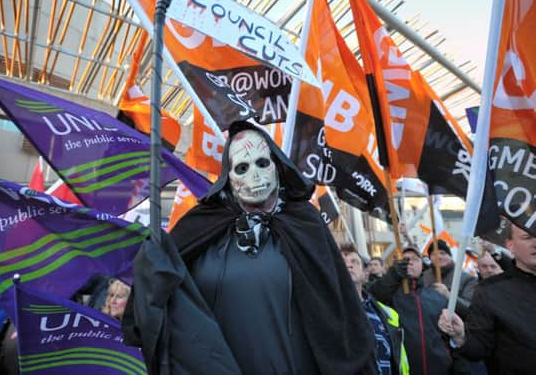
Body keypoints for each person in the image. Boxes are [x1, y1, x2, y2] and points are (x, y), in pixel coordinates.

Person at [165, 121, 376, 374]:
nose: (254, 175)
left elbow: (336, 308)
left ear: (277, 166)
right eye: (242, 168)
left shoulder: (304, 222)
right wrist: (151, 264)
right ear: (229, 177)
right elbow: (165, 285)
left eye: (262, 163)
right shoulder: (201, 225)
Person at [438, 223, 536, 375]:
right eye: (527, 237)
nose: (535, 242)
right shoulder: (489, 290)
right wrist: (461, 336)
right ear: (510, 245)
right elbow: (479, 347)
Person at [369, 245, 452, 375]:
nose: (410, 261)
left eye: (415, 259)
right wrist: (393, 274)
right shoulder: (390, 296)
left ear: (422, 266)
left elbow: (449, 334)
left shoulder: (436, 297)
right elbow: (373, 295)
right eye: (405, 259)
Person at [341, 243, 410, 375]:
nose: (348, 265)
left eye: (354, 262)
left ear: (365, 274)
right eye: (342, 262)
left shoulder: (385, 313)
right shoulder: (329, 311)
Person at [422, 240, 477, 318]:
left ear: (450, 256)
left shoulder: (467, 279)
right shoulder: (424, 276)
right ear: (430, 258)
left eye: (442, 253)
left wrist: (448, 295)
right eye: (434, 254)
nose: (439, 257)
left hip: (453, 325)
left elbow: (469, 309)